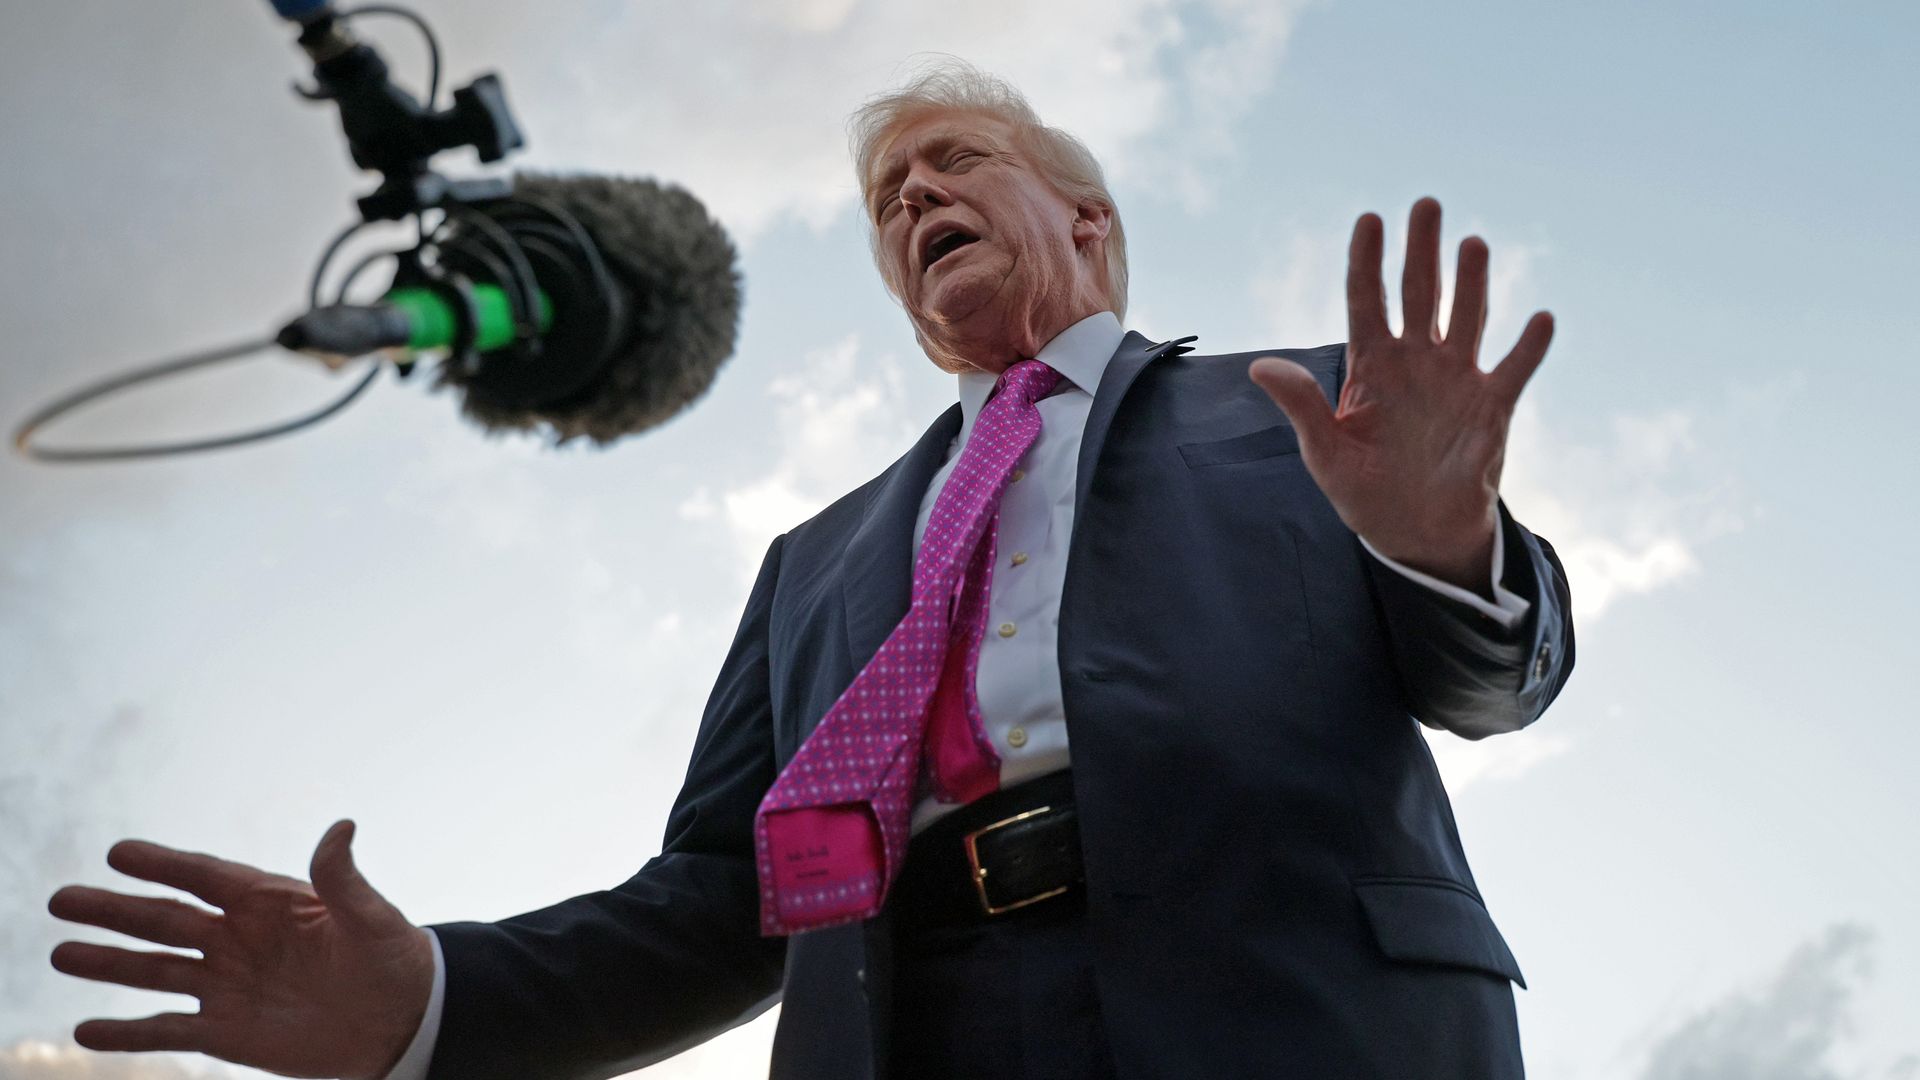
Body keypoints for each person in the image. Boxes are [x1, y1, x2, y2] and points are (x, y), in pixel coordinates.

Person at [47, 60, 1573, 1079]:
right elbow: (720, 904)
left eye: (953, 166)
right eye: (890, 204)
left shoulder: (1317, 413)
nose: (913, 203)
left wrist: (1438, 539)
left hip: (1306, 1020)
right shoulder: (814, 566)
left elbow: (1492, 681)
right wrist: (428, 1003)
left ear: (1089, 222)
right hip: (917, 1032)